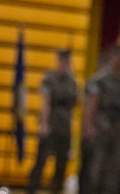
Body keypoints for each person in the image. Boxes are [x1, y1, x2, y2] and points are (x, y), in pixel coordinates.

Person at [81, 45, 120, 194]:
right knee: (97, 168)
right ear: (113, 57)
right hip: (102, 125)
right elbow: (92, 104)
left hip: (119, 129)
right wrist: (89, 126)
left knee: (116, 169)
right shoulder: (100, 79)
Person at [27, 49, 78, 194]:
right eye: (62, 61)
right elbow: (45, 102)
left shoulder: (72, 81)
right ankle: (32, 189)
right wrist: (43, 123)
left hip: (64, 125)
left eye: (67, 61)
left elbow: (73, 105)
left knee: (61, 164)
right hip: (51, 123)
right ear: (58, 61)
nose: (65, 64)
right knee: (41, 161)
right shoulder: (49, 78)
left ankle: (55, 191)